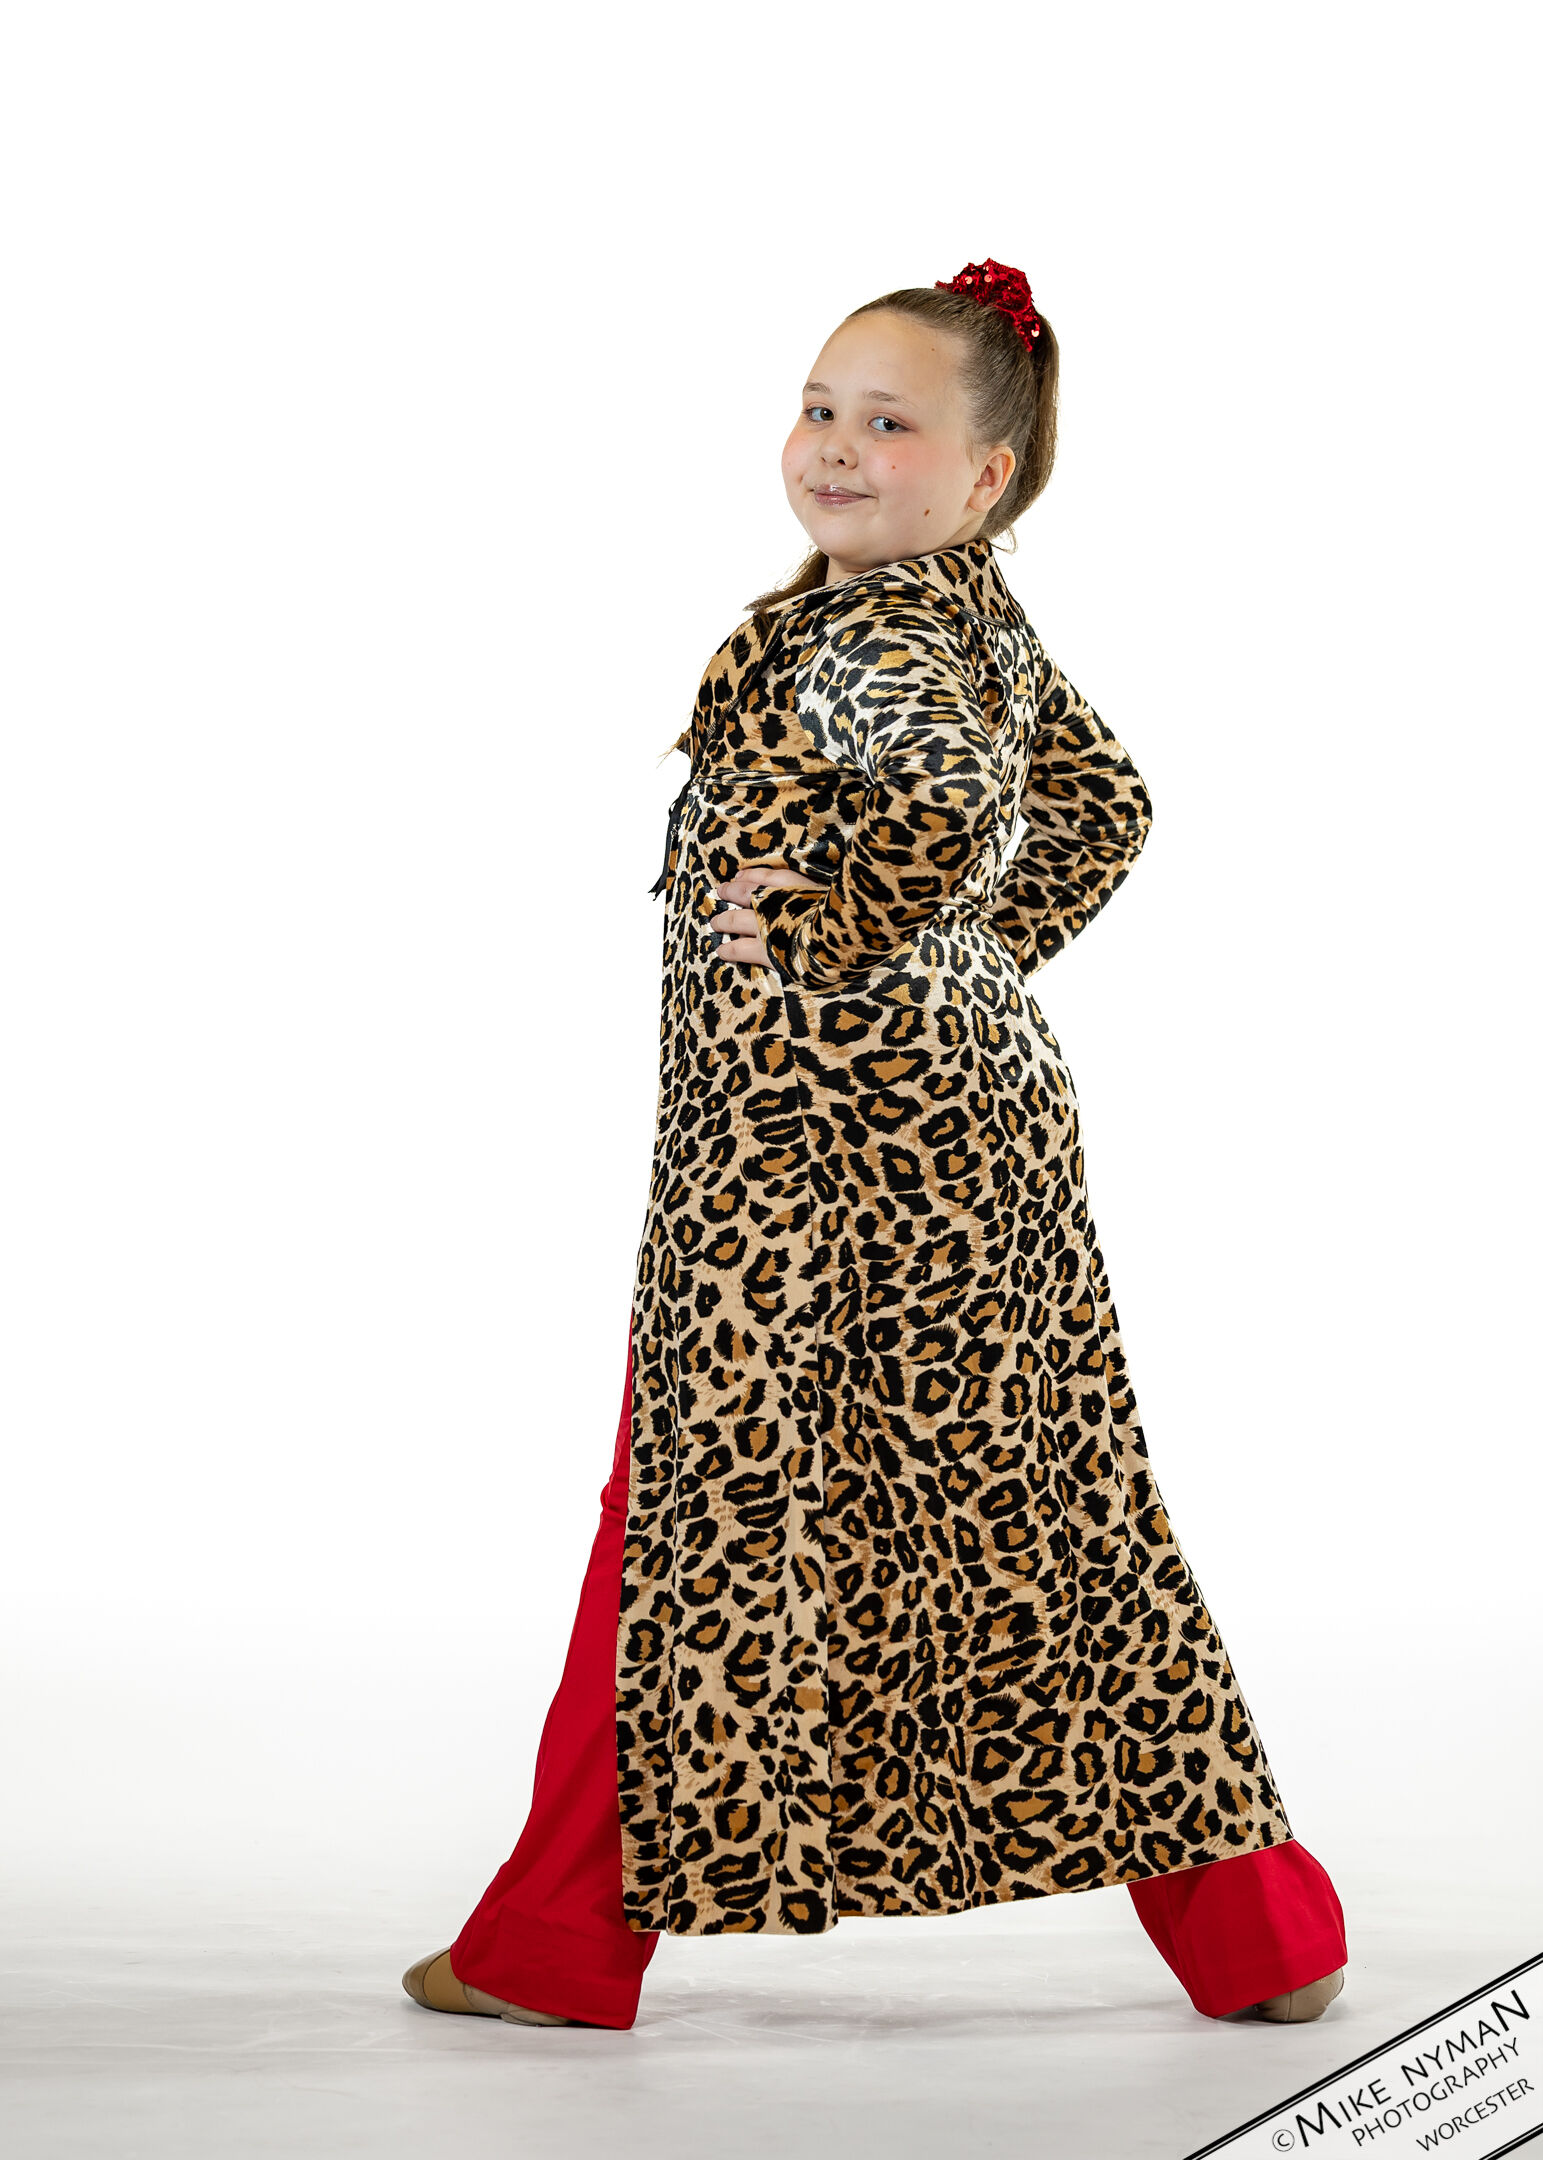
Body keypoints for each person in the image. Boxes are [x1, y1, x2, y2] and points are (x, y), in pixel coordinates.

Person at [403, 259, 1348, 2034]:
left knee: (695, 1513)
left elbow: (958, 799)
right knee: (1046, 1510)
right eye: (820, 408)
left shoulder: (875, 638)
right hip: (956, 1128)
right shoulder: (960, 614)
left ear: (987, 474)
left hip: (813, 1160)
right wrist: (967, 960)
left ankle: (553, 1947)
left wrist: (844, 924)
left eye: (888, 423)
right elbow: (1103, 804)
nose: (836, 447)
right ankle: (1263, 1937)